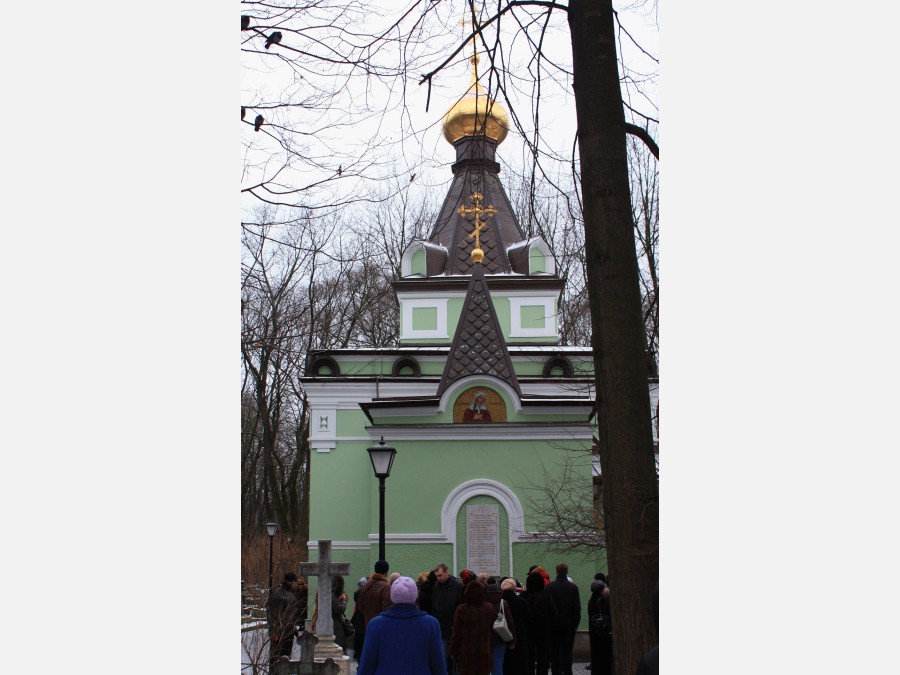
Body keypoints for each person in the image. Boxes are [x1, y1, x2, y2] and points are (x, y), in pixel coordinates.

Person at [357, 576, 448, 675]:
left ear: (392, 596)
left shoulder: (376, 624)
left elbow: (367, 664)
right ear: (415, 596)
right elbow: (438, 665)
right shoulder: (431, 624)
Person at [449, 580, 495, 675]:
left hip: (467, 653)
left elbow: (456, 633)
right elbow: (491, 628)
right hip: (484, 652)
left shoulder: (461, 609)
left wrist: (453, 650)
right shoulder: (489, 608)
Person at [546, 564, 580, 675]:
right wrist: (575, 624)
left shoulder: (549, 587)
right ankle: (567, 672)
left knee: (554, 652)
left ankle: (556, 672)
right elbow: (577, 608)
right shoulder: (573, 587)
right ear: (566, 572)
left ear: (556, 572)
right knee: (567, 652)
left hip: (553, 625)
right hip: (568, 624)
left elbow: (546, 607)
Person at [357, 560, 393, 660]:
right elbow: (387, 609)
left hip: (368, 624)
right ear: (386, 572)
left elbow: (360, 606)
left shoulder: (367, 586)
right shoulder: (386, 587)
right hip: (382, 628)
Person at [431, 563, 463, 673]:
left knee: (455, 657)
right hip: (442, 626)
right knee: (443, 656)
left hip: (454, 626)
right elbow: (434, 605)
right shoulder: (436, 587)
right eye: (437, 576)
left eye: (440, 575)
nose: (438, 578)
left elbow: (461, 605)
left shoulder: (458, 586)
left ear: (446, 572)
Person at [524, 571, 557, 675]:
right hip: (543, 630)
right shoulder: (546, 596)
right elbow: (553, 614)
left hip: (527, 631)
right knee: (542, 657)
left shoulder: (524, 596)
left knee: (529, 657)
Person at [266, 572, 303, 664]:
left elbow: (289, 614)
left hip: (285, 630)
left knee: (282, 658)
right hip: (281, 631)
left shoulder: (283, 593)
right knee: (279, 658)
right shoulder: (281, 595)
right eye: (295, 582)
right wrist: (274, 631)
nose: (296, 585)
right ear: (292, 582)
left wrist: (293, 625)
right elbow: (273, 615)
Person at [484, 577, 516, 675]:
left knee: (484, 665)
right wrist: (512, 640)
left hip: (484, 637)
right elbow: (510, 622)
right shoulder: (502, 602)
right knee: (497, 664)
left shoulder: (481, 602)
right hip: (500, 636)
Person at [501, 577, 532, 675]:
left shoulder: (499, 602)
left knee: (505, 662)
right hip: (520, 635)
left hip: (502, 634)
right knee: (520, 661)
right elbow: (529, 619)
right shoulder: (522, 602)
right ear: (514, 588)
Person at [587, 579, 612, 675]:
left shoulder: (591, 601)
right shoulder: (603, 600)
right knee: (604, 657)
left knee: (595, 655)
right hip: (603, 632)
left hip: (593, 632)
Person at [331, 574, 351, 651]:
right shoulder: (332, 595)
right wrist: (343, 601)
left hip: (334, 624)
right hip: (335, 625)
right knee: (339, 648)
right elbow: (340, 609)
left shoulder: (331, 594)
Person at [351, 576, 368, 661]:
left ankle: (357, 654)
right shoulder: (363, 596)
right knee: (362, 642)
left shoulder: (358, 594)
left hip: (358, 622)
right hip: (362, 622)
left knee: (358, 639)